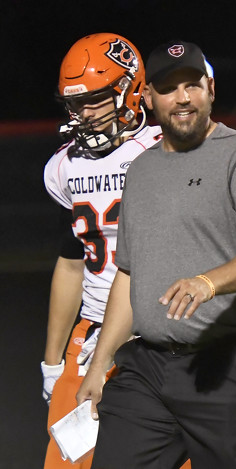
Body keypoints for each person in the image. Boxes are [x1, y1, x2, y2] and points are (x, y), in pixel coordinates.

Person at [76, 40, 236, 469]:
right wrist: (99, 365)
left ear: (210, 89)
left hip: (228, 363)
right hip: (148, 369)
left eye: (192, 85)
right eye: (168, 88)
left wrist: (208, 282)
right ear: (147, 97)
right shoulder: (141, 170)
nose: (182, 98)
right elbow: (129, 273)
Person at [42, 33, 163, 469]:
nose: (85, 114)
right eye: (76, 104)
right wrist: (53, 361)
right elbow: (72, 263)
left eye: (95, 99)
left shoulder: (165, 150)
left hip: (160, 334)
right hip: (93, 332)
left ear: (130, 89)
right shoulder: (64, 167)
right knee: (68, 461)